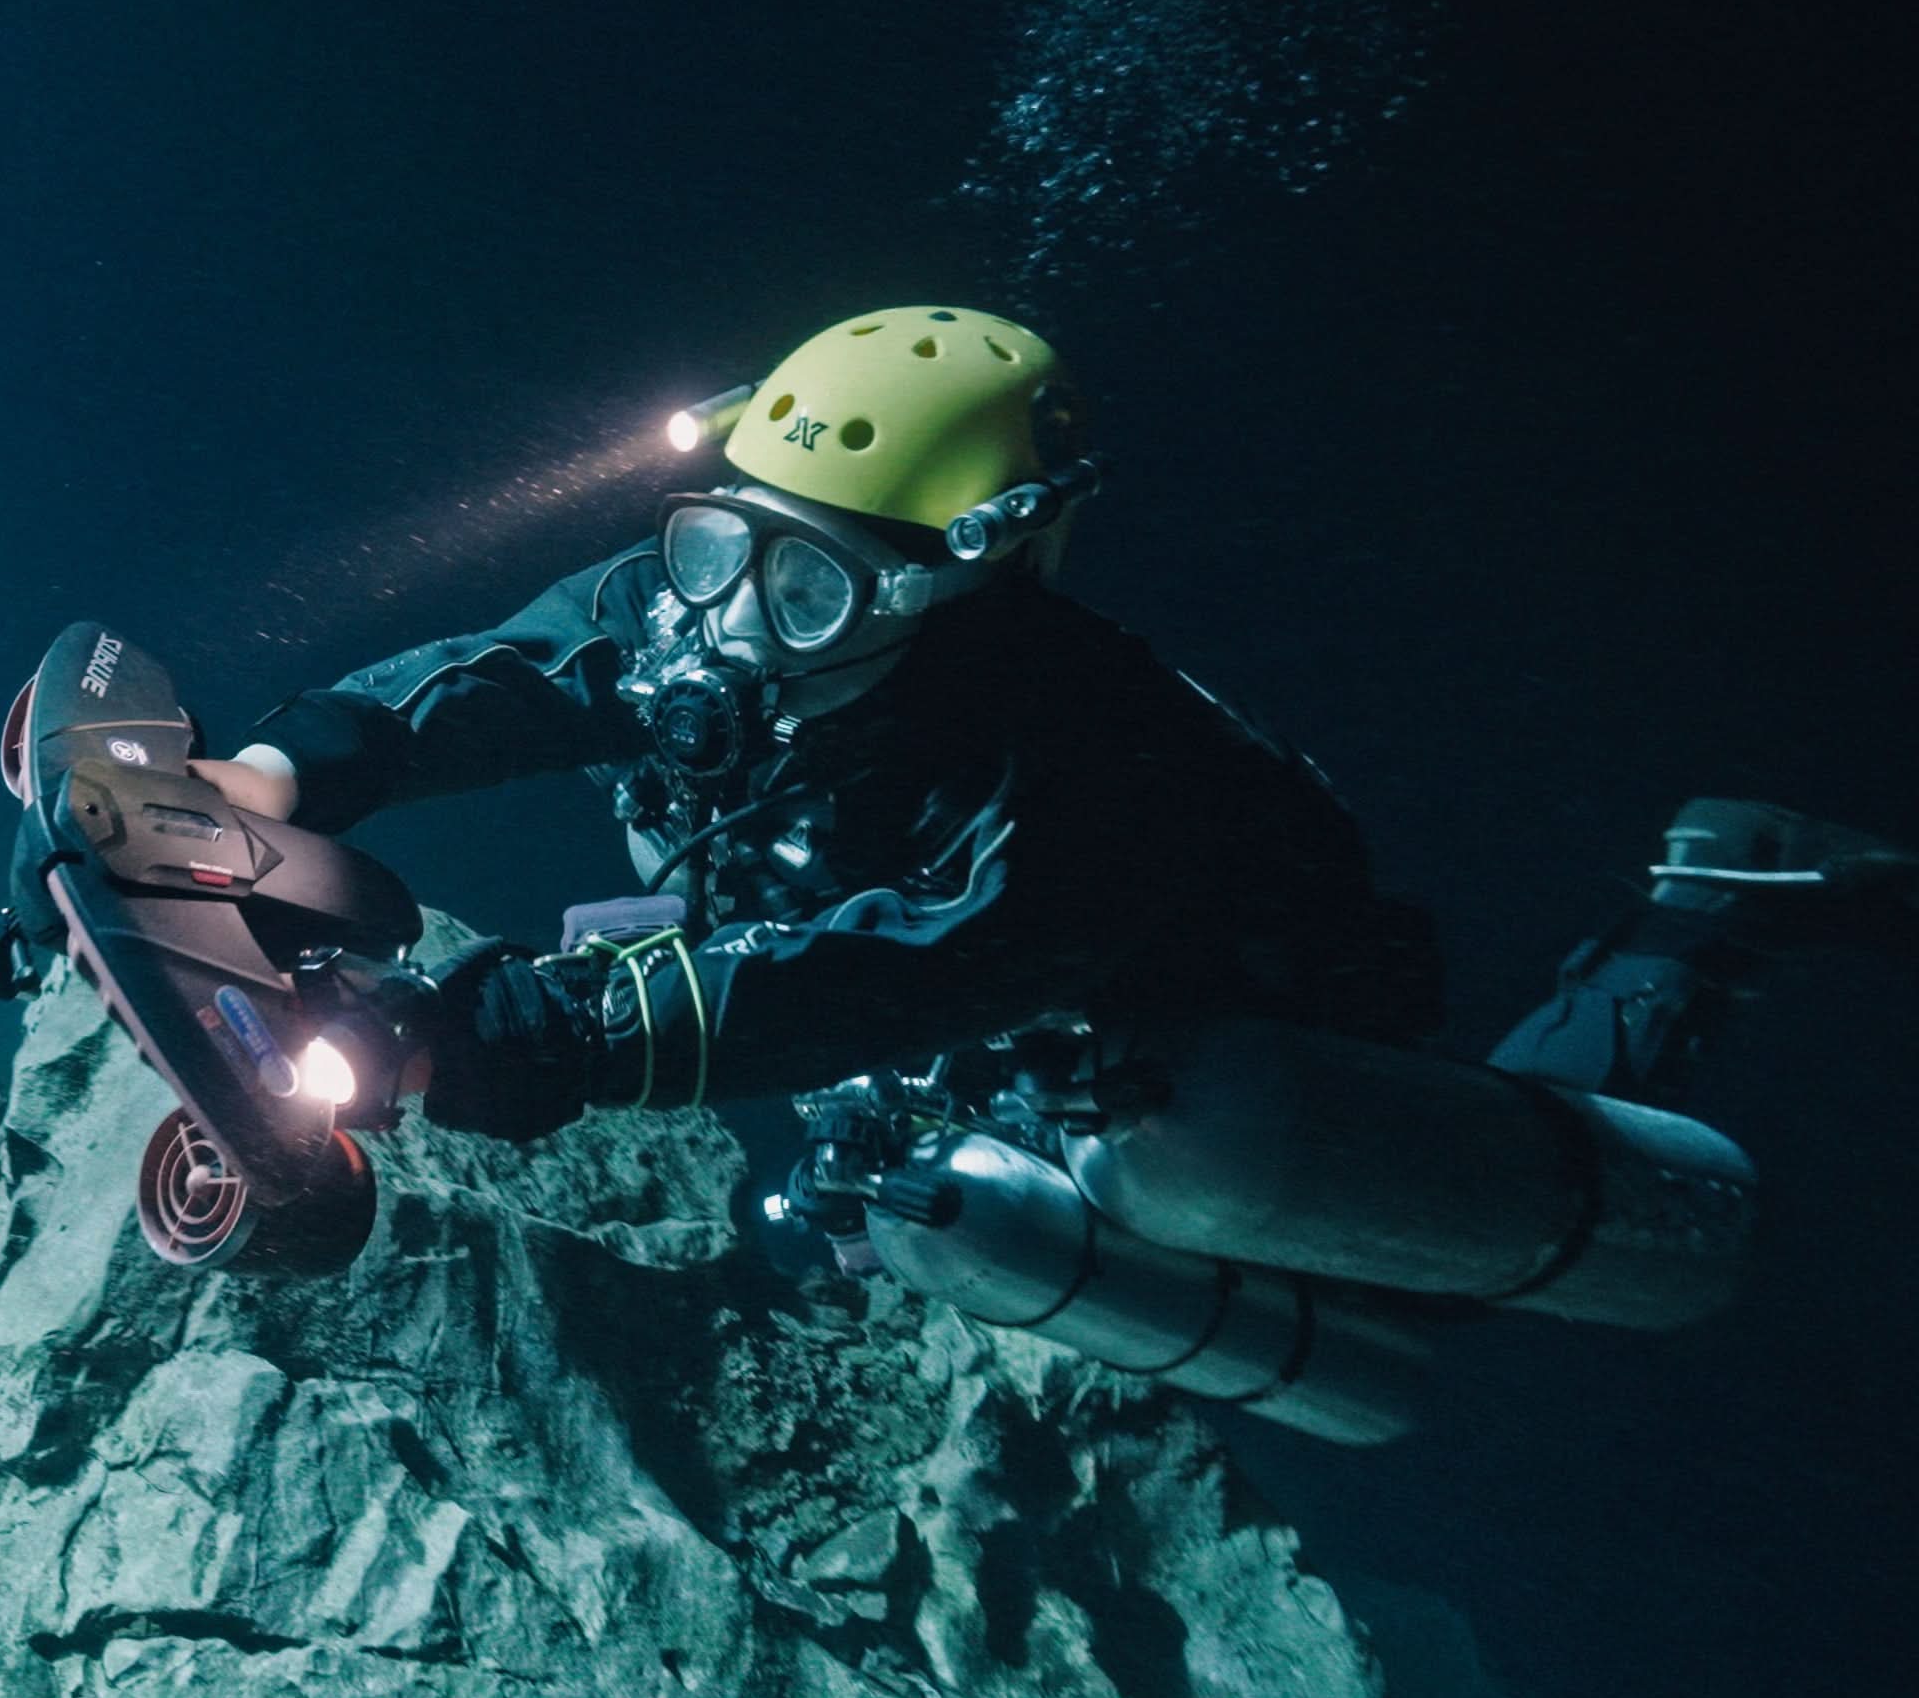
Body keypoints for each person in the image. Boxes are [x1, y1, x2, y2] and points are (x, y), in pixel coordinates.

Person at [190, 305, 1446, 1141]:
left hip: (1212, 1031)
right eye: (716, 543)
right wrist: (266, 775)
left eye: (805, 585)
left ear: (957, 585)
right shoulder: (694, 600)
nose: (726, 621)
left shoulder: (1093, 775)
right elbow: (509, 675)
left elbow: (885, 975)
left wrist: (524, 1032)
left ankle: (1647, 961)